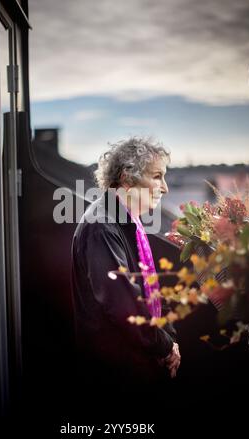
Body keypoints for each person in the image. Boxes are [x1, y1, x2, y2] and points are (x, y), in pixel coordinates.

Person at [70, 137, 181, 394]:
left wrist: (170, 340)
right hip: (115, 378)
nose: (164, 188)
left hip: (135, 366)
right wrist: (165, 347)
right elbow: (124, 306)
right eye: (157, 176)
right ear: (128, 179)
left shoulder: (127, 222)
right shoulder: (102, 226)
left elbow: (150, 292)